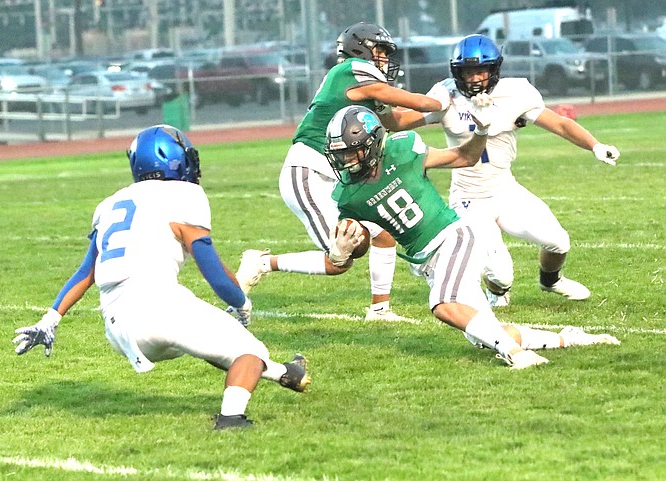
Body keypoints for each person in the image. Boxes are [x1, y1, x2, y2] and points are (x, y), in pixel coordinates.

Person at [11, 124, 311, 430]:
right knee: (250, 352)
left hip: (117, 327)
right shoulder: (184, 194)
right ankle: (231, 419)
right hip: (158, 306)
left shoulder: (110, 203)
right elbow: (211, 268)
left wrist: (49, 320)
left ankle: (287, 373)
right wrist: (241, 302)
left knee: (215, 342)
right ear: (175, 160)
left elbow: (85, 271)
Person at [326, 105, 619, 369]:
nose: (347, 161)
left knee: (443, 304)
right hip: (428, 262)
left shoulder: (404, 150)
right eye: (341, 154)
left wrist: (480, 132)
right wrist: (342, 251)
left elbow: (465, 157)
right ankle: (569, 339)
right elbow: (360, 244)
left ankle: (517, 355)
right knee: (482, 334)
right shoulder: (346, 195)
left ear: (374, 143)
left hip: (454, 237)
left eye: (353, 152)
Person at [235, 22, 447, 321]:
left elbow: (394, 121)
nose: (385, 58)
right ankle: (262, 263)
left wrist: (434, 115)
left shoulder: (365, 86)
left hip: (334, 174)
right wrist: (443, 101)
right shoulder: (353, 69)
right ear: (361, 49)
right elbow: (420, 103)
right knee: (340, 259)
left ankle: (379, 310)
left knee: (383, 234)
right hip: (309, 171)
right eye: (381, 51)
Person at [392, 34, 620, 307]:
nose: (474, 78)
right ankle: (497, 292)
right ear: (456, 72)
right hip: (469, 197)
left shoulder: (516, 93)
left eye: (480, 70)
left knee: (558, 242)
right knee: (501, 274)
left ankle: (551, 281)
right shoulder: (446, 94)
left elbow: (558, 123)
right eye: (467, 71)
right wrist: (379, 103)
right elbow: (402, 121)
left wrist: (594, 145)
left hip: (504, 188)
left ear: (494, 69)